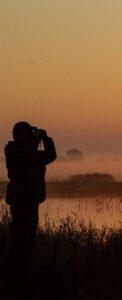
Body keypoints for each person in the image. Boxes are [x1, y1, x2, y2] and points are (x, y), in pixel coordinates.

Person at [4, 121, 57, 296]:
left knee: (29, 242)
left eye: (29, 134)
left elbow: (51, 156)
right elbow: (23, 159)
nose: (27, 137)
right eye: (25, 134)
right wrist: (35, 141)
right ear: (16, 136)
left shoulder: (33, 154)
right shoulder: (12, 151)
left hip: (32, 204)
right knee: (19, 241)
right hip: (20, 204)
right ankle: (13, 280)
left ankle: (22, 279)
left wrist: (46, 138)